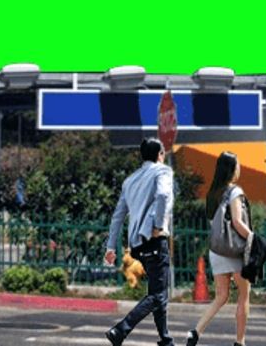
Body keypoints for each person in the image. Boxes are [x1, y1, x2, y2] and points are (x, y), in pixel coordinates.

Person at [103, 138, 174, 346]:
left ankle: (165, 339)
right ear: (160, 154)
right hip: (155, 240)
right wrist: (159, 225)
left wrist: (110, 246)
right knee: (158, 295)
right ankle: (120, 330)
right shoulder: (163, 171)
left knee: (157, 293)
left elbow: (118, 216)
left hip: (138, 245)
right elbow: (162, 194)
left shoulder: (130, 180)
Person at [185, 150, 251, 346]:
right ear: (232, 169)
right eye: (237, 165)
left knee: (221, 296)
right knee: (244, 295)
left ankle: (195, 332)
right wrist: (253, 238)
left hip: (217, 251)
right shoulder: (235, 192)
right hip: (234, 250)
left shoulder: (212, 193)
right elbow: (238, 223)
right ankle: (240, 342)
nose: (239, 168)